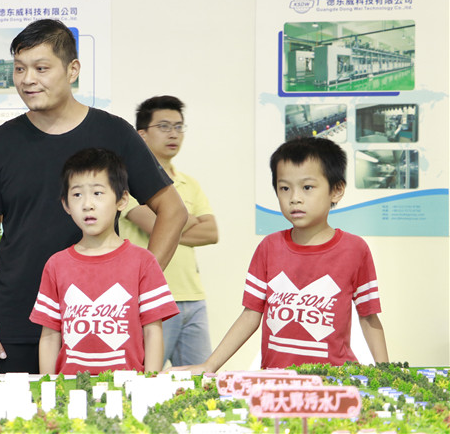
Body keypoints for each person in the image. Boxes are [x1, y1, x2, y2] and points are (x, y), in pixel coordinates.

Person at [0, 19, 187, 374]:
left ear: (72, 70)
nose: (27, 79)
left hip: (100, 326)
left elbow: (173, 211)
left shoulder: (114, 133)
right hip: (16, 324)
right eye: (19, 69)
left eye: (41, 68)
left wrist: (137, 286)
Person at [177, 137, 388, 374]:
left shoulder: (355, 250)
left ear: (336, 190)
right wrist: (209, 365)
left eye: (307, 187)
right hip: (276, 379)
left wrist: (386, 372)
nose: (294, 198)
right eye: (284, 188)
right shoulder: (269, 247)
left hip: (332, 380)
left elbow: (369, 317)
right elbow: (250, 315)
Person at [30, 148, 179, 374]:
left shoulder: (143, 262)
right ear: (66, 204)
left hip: (127, 388)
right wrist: (48, 387)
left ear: (122, 200)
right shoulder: (56, 265)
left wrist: (150, 383)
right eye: (77, 195)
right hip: (70, 389)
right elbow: (50, 336)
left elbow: (153, 331)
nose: (87, 204)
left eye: (98, 193)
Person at [119, 95, 218, 367]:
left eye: (178, 126)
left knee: (200, 381)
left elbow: (212, 232)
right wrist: (186, 219)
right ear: (141, 134)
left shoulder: (189, 183)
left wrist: (173, 219)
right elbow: (153, 225)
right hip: (151, 297)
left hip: (193, 298)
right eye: (163, 126)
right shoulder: (128, 182)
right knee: (142, 378)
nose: (173, 134)